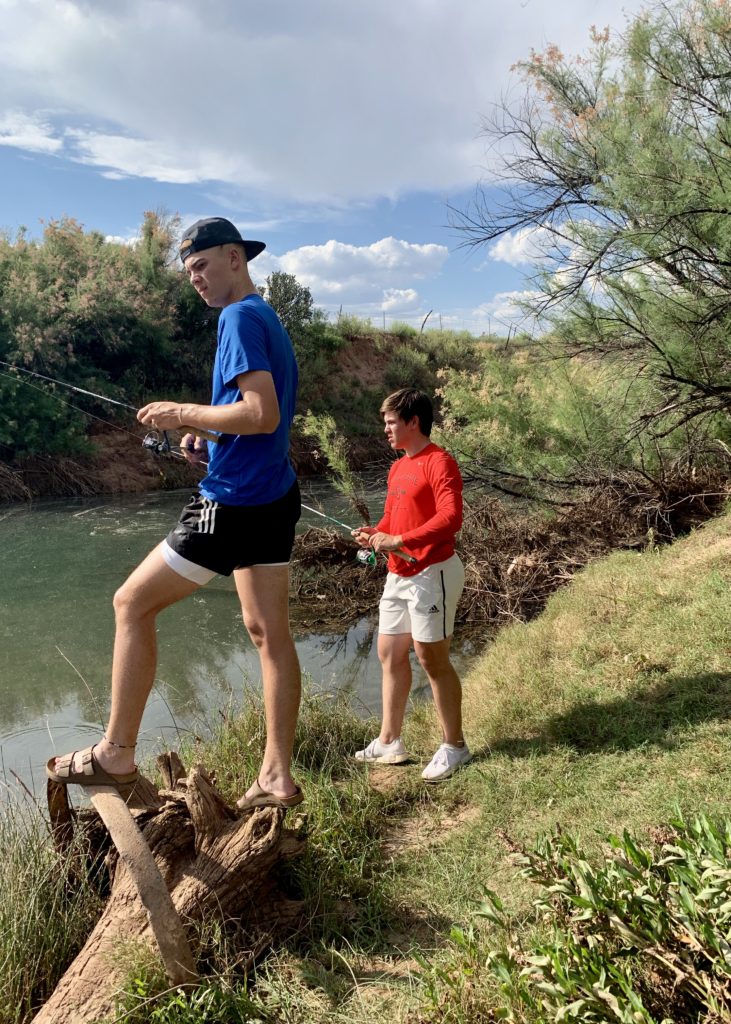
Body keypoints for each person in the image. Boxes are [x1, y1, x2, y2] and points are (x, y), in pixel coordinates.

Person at [47, 217, 304, 810]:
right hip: (272, 493)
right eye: (189, 271)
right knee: (269, 634)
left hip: (234, 502)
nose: (195, 279)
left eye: (202, 265)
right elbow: (254, 420)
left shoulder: (237, 317)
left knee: (130, 603)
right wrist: (203, 433)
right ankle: (276, 776)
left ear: (235, 257)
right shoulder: (264, 316)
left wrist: (180, 411)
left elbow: (260, 413)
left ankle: (115, 754)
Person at [352, 388, 471, 781]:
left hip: (431, 572)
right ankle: (390, 742)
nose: (385, 429)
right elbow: (392, 519)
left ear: (412, 422)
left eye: (390, 422)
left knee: (431, 659)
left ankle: (454, 746)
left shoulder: (440, 462)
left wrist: (399, 541)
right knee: (388, 651)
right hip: (398, 574)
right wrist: (377, 533)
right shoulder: (399, 467)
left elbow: (451, 518)